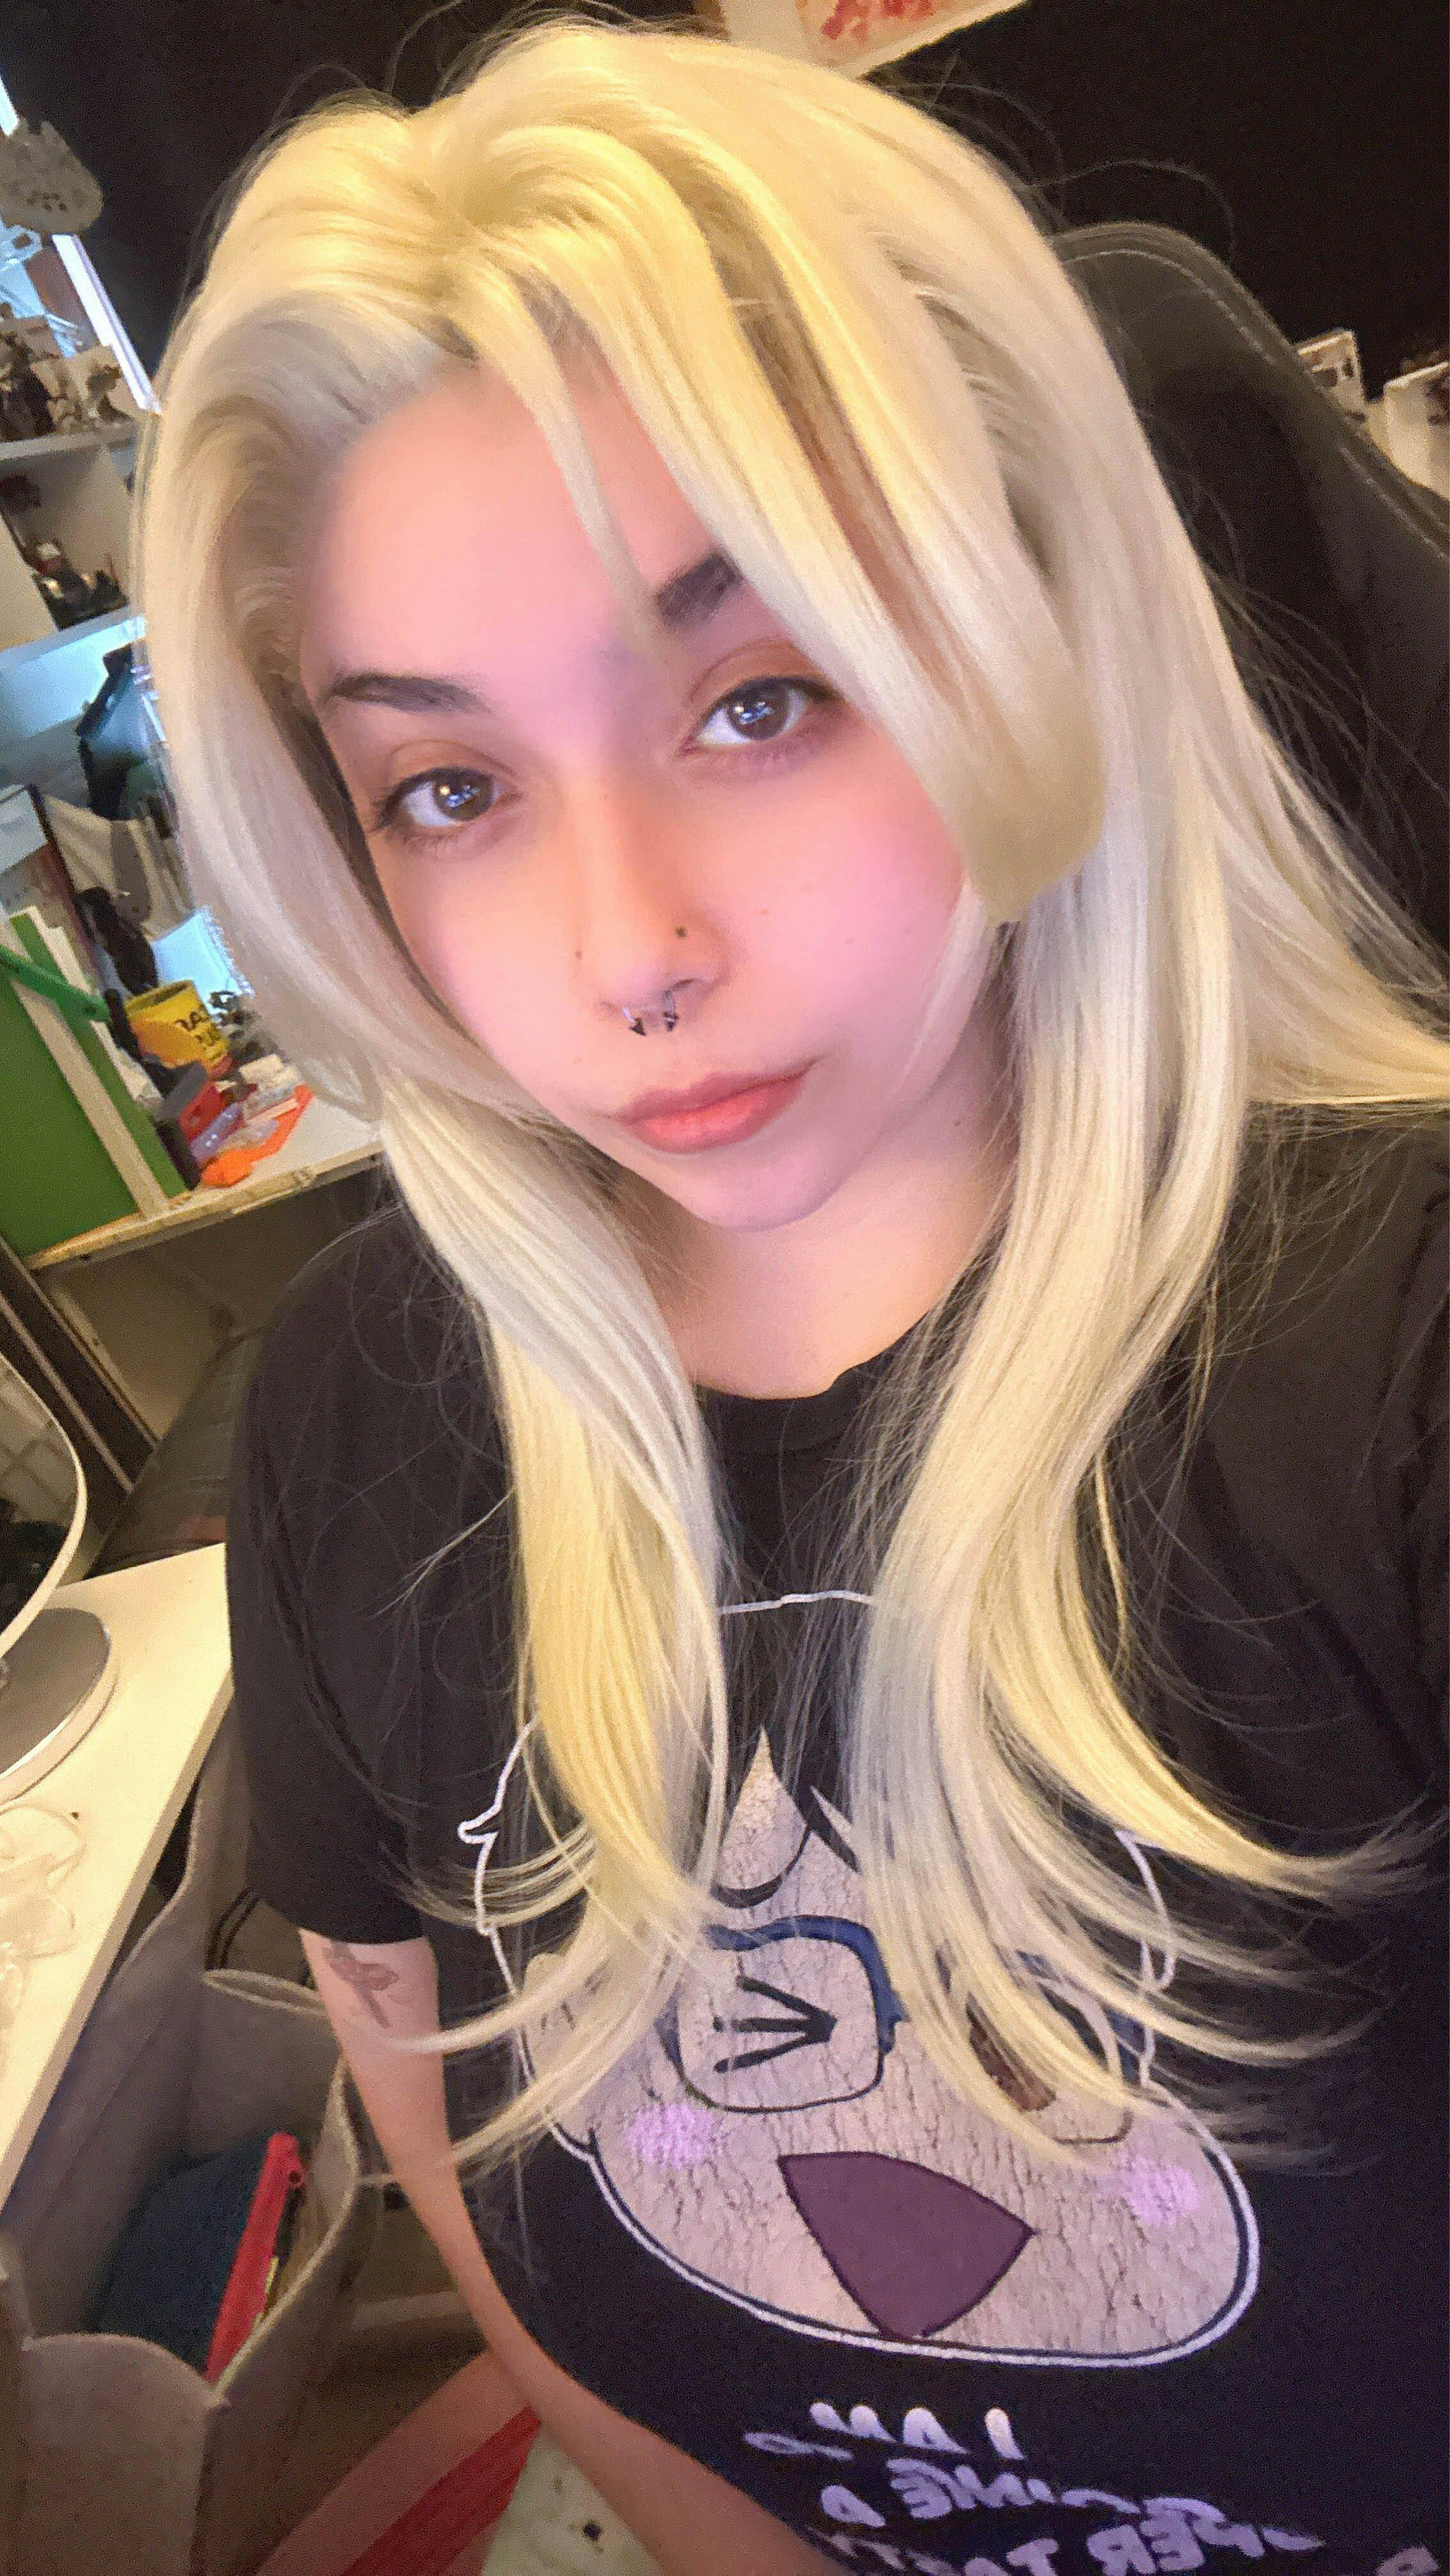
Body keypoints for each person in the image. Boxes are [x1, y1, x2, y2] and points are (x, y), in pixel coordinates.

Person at [135, 15, 1447, 2569]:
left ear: (1019, 627)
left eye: (760, 701)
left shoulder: (1383, 1365)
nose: (630, 944)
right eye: (450, 787)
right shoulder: (360, 1421)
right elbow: (441, 2119)